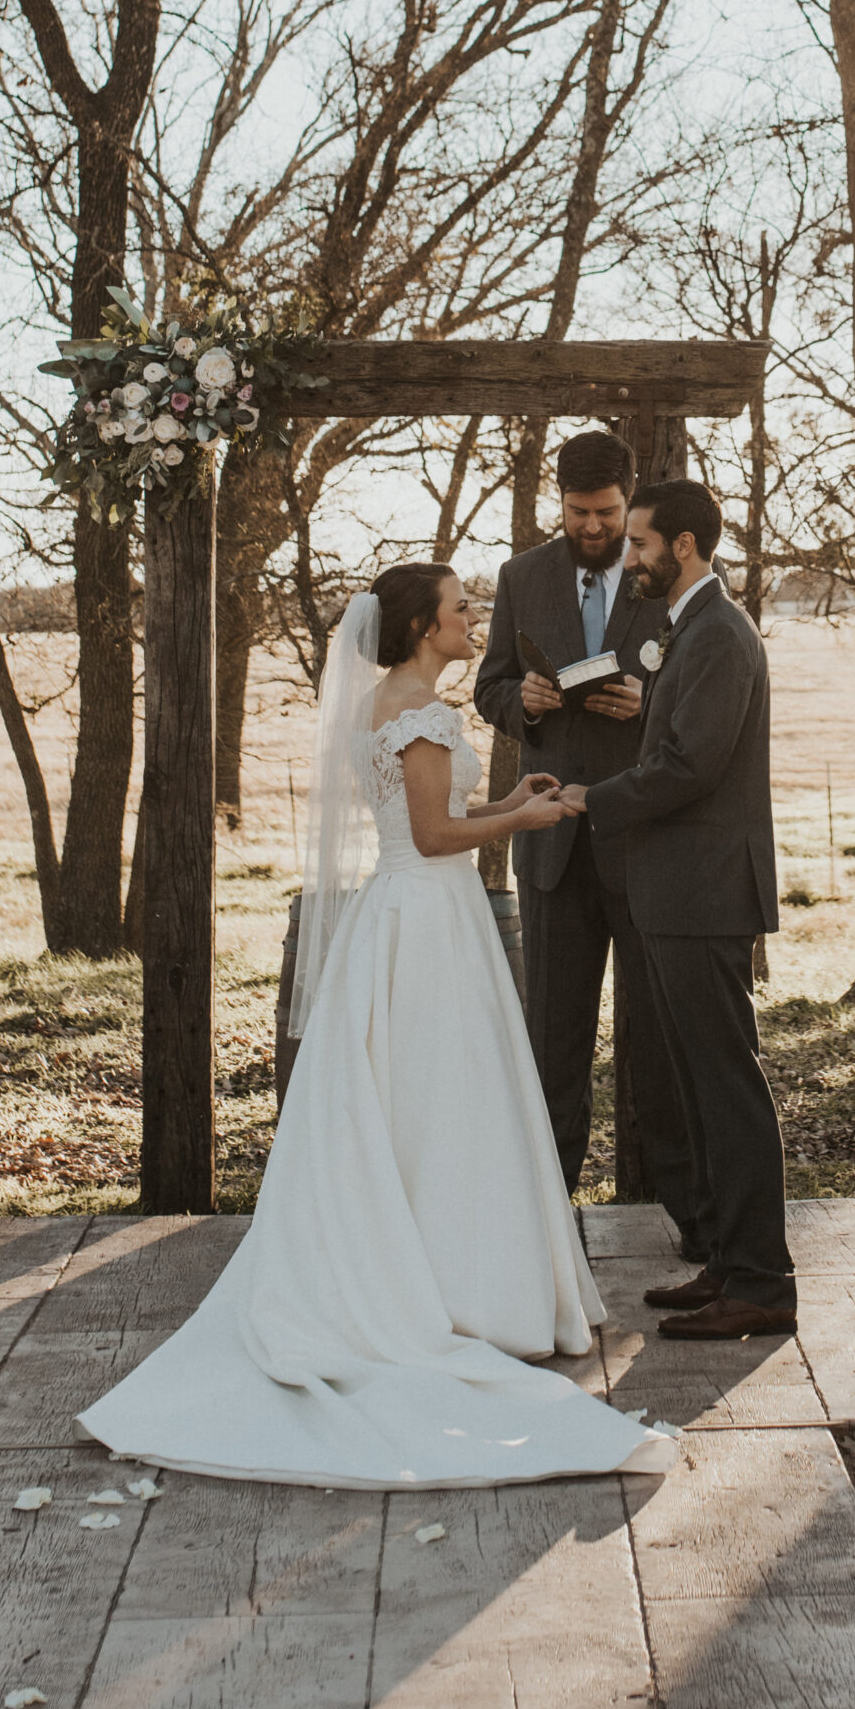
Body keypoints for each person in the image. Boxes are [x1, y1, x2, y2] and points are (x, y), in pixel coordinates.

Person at [76, 563, 672, 1487]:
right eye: (458, 609)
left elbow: (427, 822)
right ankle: (462, 1293)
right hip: (429, 921)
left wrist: (509, 804)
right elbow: (434, 840)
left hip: (407, 912)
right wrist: (533, 819)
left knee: (419, 1102)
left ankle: (440, 1270)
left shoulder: (392, 703)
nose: (473, 618)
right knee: (445, 1102)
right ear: (421, 628)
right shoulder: (421, 713)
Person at [561, 478, 796, 1341]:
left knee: (728, 1086)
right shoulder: (686, 629)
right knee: (698, 1086)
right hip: (672, 888)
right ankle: (730, 1264)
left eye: (640, 545)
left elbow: (693, 763)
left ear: (684, 547)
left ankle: (764, 1282)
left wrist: (596, 799)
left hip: (703, 892)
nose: (630, 557)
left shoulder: (720, 636)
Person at [475, 430, 698, 1250]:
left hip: (645, 842)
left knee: (663, 1042)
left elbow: (702, 682)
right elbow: (489, 683)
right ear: (559, 506)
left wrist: (651, 702)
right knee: (553, 1042)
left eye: (608, 513)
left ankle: (690, 1215)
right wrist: (525, 702)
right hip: (554, 847)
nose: (596, 527)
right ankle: (544, 1220)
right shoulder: (520, 576)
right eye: (580, 514)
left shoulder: (663, 571)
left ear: (627, 497)